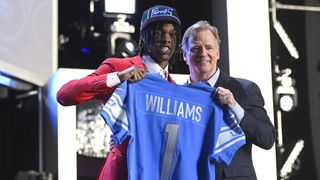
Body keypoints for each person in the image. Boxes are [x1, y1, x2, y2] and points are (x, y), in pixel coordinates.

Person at [56, 5, 182, 180]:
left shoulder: (175, 89)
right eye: (159, 32)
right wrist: (117, 77)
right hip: (120, 173)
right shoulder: (120, 68)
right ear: (144, 37)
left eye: (172, 34)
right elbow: (64, 95)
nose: (166, 39)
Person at [181, 20, 276, 180]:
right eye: (196, 48)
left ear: (218, 52)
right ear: (184, 55)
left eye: (209, 47)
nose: (203, 53)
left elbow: (267, 139)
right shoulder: (179, 96)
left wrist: (234, 106)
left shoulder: (244, 89)